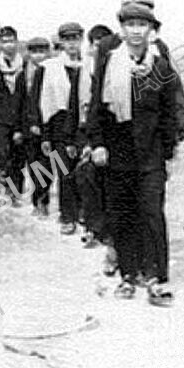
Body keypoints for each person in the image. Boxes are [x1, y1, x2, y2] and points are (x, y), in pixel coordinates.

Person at [87, 1, 184, 305]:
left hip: (151, 152)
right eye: (129, 25)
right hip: (116, 150)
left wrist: (180, 139)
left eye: (142, 25)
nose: (135, 31)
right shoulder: (109, 62)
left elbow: (170, 107)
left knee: (152, 212)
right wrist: (97, 143)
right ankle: (128, 275)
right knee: (122, 213)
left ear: (152, 30)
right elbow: (95, 104)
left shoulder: (160, 66)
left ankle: (157, 278)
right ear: (121, 29)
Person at [34, 23, 85, 234]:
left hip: (82, 125)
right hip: (58, 125)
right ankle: (67, 216)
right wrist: (45, 134)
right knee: (64, 171)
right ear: (61, 42)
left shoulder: (88, 65)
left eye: (75, 38)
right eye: (67, 39)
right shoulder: (49, 67)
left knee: (82, 171)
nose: (72, 43)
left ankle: (83, 213)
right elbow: (41, 102)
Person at [77, 24, 114, 250]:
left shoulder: (114, 70)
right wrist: (86, 142)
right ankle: (92, 227)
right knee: (86, 177)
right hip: (88, 134)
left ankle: (108, 232)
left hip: (109, 138)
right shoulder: (84, 71)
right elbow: (79, 109)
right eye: (95, 44)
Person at [0, 26, 26, 202]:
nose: (8, 45)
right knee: (2, 156)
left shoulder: (24, 65)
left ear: (17, 42)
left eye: (11, 41)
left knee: (18, 158)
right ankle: (1, 194)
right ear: (0, 43)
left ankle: (16, 192)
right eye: (4, 41)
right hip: (0, 119)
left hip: (19, 118)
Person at [22, 36, 52, 217]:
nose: (39, 56)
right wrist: (29, 123)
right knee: (33, 165)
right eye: (35, 52)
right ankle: (37, 200)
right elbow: (21, 101)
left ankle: (44, 200)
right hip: (30, 126)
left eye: (42, 52)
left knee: (48, 164)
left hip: (48, 125)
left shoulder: (53, 71)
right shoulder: (23, 73)